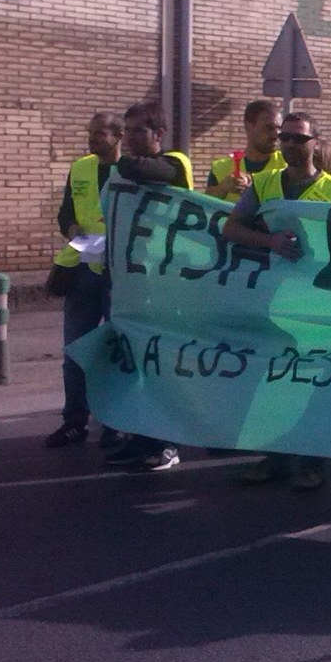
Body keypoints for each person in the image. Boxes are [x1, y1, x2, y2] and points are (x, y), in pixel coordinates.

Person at [222, 113, 331, 491]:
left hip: (319, 303)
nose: (292, 145)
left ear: (316, 142)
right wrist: (270, 241)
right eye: (286, 138)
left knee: (316, 381)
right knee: (276, 380)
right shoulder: (264, 183)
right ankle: (276, 456)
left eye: (300, 139)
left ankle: (313, 460)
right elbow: (231, 228)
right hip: (273, 298)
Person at [102, 102, 194, 471]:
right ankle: (140, 437)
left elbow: (139, 168)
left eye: (139, 131)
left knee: (160, 365)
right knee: (135, 364)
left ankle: (167, 443)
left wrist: (116, 155)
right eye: (127, 131)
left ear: (159, 134)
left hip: (166, 282)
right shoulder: (128, 171)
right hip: (134, 281)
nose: (130, 139)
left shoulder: (174, 164)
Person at [44, 112, 125, 450]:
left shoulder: (131, 170)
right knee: (76, 349)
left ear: (118, 136)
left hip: (120, 273)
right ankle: (75, 420)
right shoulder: (80, 168)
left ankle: (116, 423)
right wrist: (76, 233)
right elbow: (66, 214)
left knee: (118, 351)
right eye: (90, 132)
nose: (92, 139)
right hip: (83, 268)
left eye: (99, 133)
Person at [205, 99, 283, 200]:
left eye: (279, 128)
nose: (276, 134)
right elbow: (204, 207)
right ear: (248, 127)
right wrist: (222, 188)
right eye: (269, 128)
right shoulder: (221, 168)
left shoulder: (287, 165)